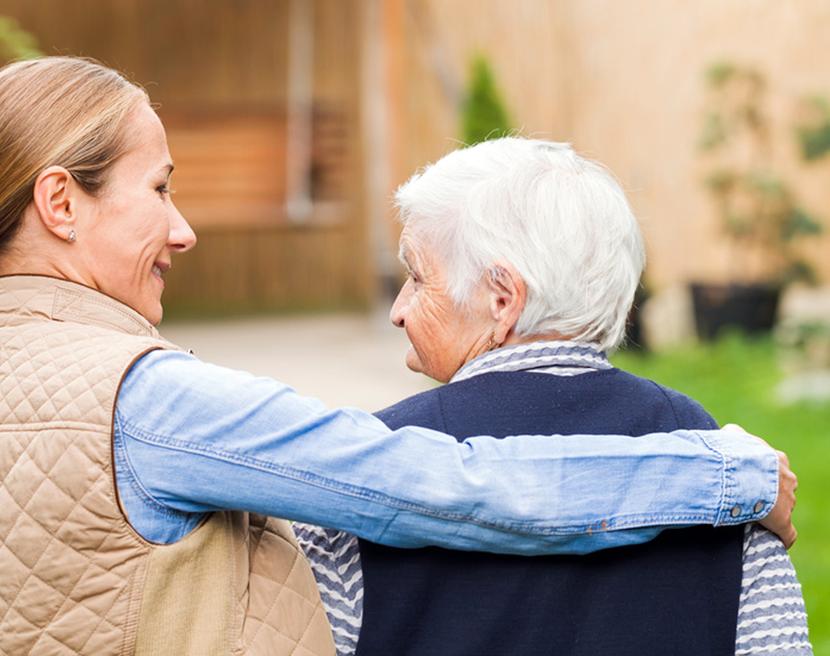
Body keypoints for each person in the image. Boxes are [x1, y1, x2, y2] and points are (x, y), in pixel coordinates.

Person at [0, 58, 793, 656]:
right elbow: (444, 487)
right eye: (159, 189)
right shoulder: (144, 402)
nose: (183, 229)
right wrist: (732, 473)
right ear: (60, 203)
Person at [295, 138, 812, 655]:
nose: (398, 310)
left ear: (502, 298)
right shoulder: (723, 465)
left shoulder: (365, 468)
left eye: (416, 276)